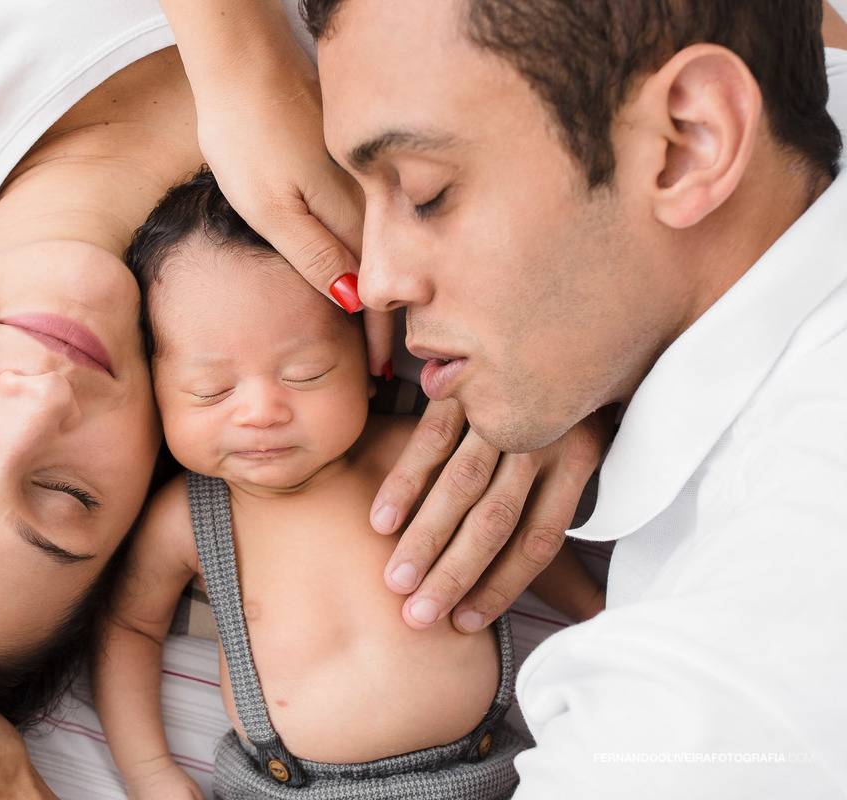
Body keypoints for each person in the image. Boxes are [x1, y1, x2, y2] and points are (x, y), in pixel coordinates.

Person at [0, 1, 604, 798]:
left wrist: (243, 62)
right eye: (66, 496)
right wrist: (583, 349)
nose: (39, 405)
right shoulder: (411, 306)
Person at [307, 0, 847, 795]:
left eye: (426, 193)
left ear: (689, 145)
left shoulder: (740, 681)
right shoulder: (793, 122)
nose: (379, 280)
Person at [92, 169, 605, 799]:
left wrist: (595, 609)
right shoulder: (185, 519)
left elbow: (516, 525)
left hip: (484, 774)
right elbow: (128, 629)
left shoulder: (415, 451)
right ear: (156, 393)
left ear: (369, 363)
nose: (260, 412)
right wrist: (148, 771)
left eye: (305, 374)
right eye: (211, 390)